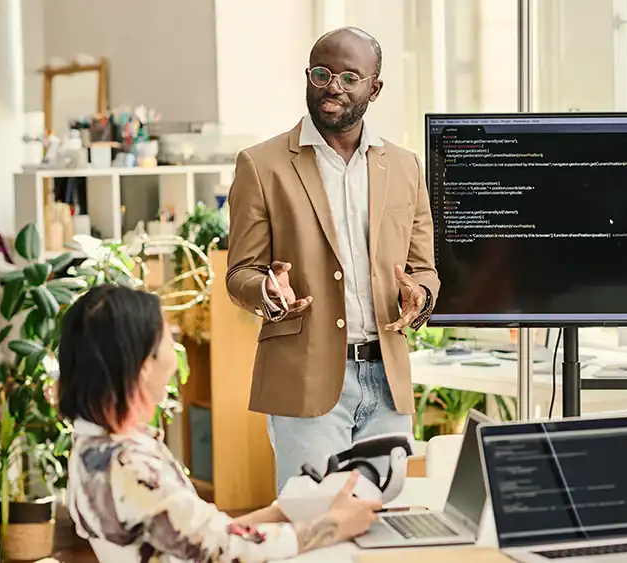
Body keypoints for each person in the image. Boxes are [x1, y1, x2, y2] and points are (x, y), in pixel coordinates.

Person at [226, 26, 439, 491]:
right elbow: (239, 273)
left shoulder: (404, 166)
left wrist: (420, 295)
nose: (332, 88)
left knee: (384, 519)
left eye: (349, 78)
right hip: (306, 380)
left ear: (374, 89)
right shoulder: (261, 165)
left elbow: (424, 268)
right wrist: (268, 290)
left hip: (387, 381)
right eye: (321, 74)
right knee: (313, 521)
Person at [59, 285, 381, 561]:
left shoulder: (94, 448)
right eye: (168, 339)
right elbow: (221, 550)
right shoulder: (129, 466)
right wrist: (333, 526)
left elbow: (204, 536)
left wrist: (287, 512)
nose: (175, 355)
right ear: (144, 366)